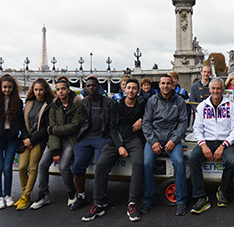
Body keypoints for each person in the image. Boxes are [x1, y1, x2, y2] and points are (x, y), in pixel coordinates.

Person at [82, 78, 145, 222]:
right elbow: (113, 127)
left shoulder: (143, 104)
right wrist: (120, 146)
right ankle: (99, 203)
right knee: (101, 165)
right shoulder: (116, 105)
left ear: (138, 91)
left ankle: (132, 202)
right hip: (116, 139)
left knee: (138, 164)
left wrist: (141, 119)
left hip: (134, 139)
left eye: (134, 88)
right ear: (124, 90)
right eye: (128, 88)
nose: (131, 91)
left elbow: (149, 116)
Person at [188, 78, 234, 214]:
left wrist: (223, 146)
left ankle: (222, 191)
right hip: (207, 142)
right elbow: (197, 129)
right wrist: (203, 145)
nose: (216, 91)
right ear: (209, 90)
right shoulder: (202, 106)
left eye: (218, 88)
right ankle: (201, 197)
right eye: (213, 88)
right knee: (192, 158)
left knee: (233, 162)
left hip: (225, 142)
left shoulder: (231, 105)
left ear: (223, 90)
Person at [141, 75, 188, 216]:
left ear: (173, 84)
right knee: (147, 163)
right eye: (163, 83)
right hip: (154, 138)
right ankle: (147, 200)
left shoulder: (179, 101)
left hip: (172, 138)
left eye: (168, 83)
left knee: (179, 163)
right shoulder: (152, 101)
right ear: (159, 85)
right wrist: (153, 141)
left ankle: (181, 201)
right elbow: (146, 123)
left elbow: (183, 123)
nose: (166, 86)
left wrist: (174, 140)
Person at [31, 79, 81, 210]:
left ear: (69, 90)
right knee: (42, 165)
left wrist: (55, 129)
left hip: (70, 139)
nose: (60, 92)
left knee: (64, 166)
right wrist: (56, 151)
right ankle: (43, 195)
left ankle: (71, 193)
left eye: (63, 89)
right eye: (58, 89)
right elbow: (51, 129)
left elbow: (74, 127)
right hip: (55, 140)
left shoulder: (76, 105)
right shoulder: (54, 106)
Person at [70, 76, 118, 211]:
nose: (90, 88)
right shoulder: (83, 103)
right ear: (85, 88)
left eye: (93, 86)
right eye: (88, 86)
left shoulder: (109, 103)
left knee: (100, 167)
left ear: (98, 87)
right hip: (86, 137)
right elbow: (81, 122)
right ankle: (81, 196)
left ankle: (101, 197)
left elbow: (113, 123)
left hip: (102, 137)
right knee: (77, 167)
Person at [0, 74, 28, 209]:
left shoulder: (18, 103)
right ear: (0, 88)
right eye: (4, 87)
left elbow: (20, 122)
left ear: (13, 88)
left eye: (9, 87)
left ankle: (7, 195)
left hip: (11, 138)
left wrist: (22, 136)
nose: (7, 90)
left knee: (8, 168)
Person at [16, 78, 56, 210]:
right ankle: (24, 194)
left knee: (33, 167)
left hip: (39, 140)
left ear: (45, 90)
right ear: (32, 90)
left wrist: (32, 140)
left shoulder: (49, 104)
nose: (38, 92)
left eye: (41, 90)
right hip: (26, 139)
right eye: (36, 90)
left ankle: (26, 196)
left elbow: (47, 127)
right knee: (22, 167)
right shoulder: (28, 102)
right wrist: (26, 138)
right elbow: (23, 122)